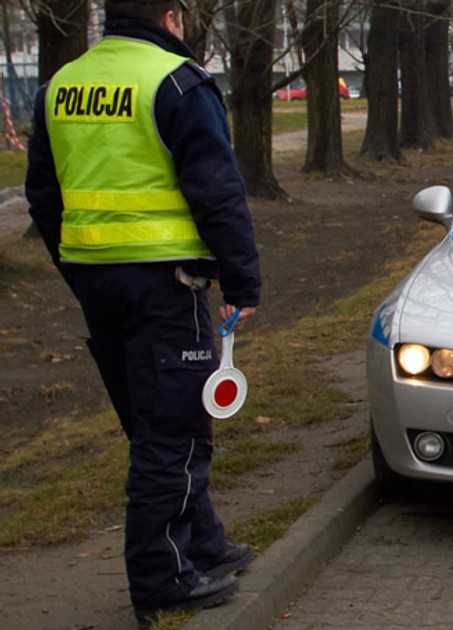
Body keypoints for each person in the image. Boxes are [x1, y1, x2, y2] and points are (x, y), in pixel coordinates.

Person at [25, 0, 259, 626]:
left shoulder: (61, 86)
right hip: (167, 285)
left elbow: (43, 196)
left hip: (98, 284)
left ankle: (203, 543)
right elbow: (217, 189)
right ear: (171, 17)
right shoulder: (175, 81)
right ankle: (162, 579)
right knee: (175, 430)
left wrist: (78, 267)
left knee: (157, 421)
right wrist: (241, 279)